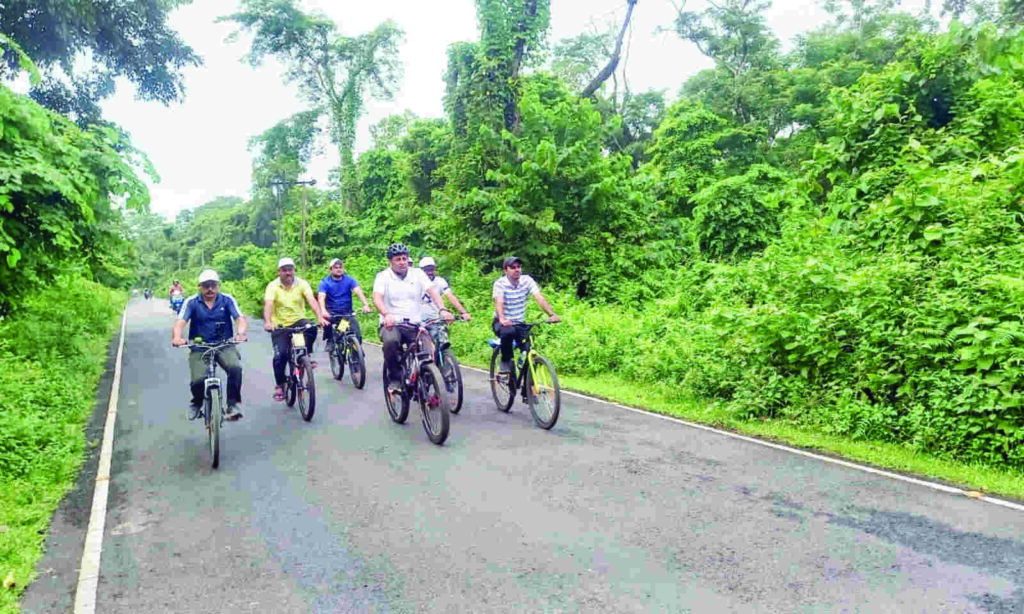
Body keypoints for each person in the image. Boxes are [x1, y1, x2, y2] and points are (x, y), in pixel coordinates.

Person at [372, 243, 453, 394]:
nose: (402, 262)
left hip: (415, 324)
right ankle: (395, 378)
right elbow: (377, 298)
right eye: (398, 259)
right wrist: (386, 314)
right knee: (390, 342)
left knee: (429, 351)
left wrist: (442, 309)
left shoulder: (417, 274)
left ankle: (428, 381)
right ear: (391, 261)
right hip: (392, 323)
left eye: (404, 258)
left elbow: (432, 291)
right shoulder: (383, 277)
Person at [171, 269, 248, 421]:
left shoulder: (227, 300)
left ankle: (233, 405)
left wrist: (240, 333)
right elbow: (180, 322)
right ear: (200, 287)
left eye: (213, 285)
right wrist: (177, 337)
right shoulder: (191, 302)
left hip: (224, 344)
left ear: (218, 285)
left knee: (235, 368)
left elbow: (240, 318)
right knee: (198, 379)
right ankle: (197, 402)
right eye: (206, 286)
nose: (210, 289)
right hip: (200, 347)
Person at [263, 257, 329, 402]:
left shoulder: (302, 284)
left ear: (294, 270)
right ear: (279, 272)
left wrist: (319, 317)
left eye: (290, 270)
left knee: (311, 328)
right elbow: (268, 304)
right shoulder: (273, 286)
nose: (288, 273)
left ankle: (306, 356)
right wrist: (268, 322)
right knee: (280, 356)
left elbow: (311, 300)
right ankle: (280, 385)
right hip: (280, 325)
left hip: (298, 321)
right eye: (284, 270)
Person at [492, 256, 560, 374]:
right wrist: (502, 318)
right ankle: (505, 361)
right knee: (508, 332)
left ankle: (529, 388)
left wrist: (551, 314)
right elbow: (499, 301)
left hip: (519, 323)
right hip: (502, 322)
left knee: (529, 351)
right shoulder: (500, 284)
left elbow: (538, 297)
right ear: (505, 270)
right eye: (512, 267)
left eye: (518, 267)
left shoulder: (527, 280)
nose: (517, 270)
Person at [318, 257, 373, 351]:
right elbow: (321, 296)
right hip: (332, 312)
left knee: (357, 334)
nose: (339, 269)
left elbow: (357, 291)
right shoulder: (325, 282)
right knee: (327, 323)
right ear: (330, 269)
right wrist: (323, 310)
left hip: (346, 312)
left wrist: (365, 304)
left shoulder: (349, 280)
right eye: (336, 267)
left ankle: (356, 354)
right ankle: (330, 340)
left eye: (340, 267)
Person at [418, 256, 471, 346]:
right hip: (419, 320)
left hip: (436, 318)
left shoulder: (440, 281)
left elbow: (450, 296)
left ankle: (445, 358)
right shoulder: (416, 282)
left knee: (442, 343)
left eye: (431, 269)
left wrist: (463, 312)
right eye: (426, 270)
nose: (429, 272)